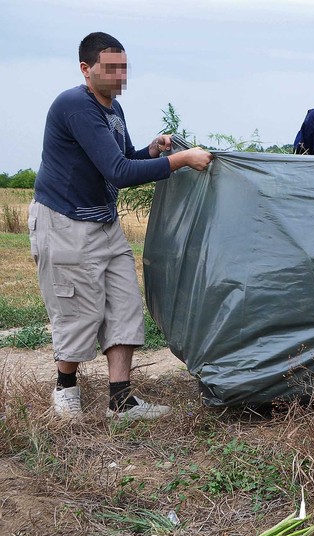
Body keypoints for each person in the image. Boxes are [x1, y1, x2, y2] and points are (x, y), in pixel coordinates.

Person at [28, 32, 213, 420]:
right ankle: (65, 390)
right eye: (110, 68)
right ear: (86, 69)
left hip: (103, 219)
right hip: (66, 221)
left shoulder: (113, 109)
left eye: (123, 67)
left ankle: (121, 400)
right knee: (76, 307)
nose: (119, 75)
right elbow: (119, 172)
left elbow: (124, 157)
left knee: (124, 305)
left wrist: (153, 150)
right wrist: (181, 161)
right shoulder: (75, 106)